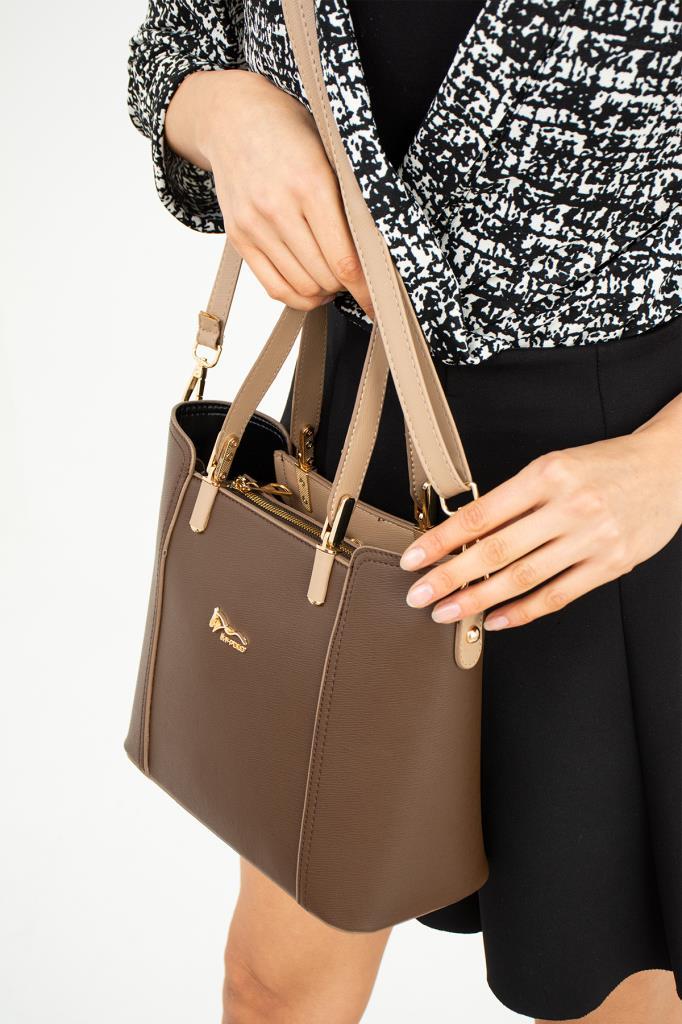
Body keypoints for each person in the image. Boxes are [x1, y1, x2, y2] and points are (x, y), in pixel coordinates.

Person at [126, 1, 682, 1021]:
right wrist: (226, 112)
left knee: (610, 998)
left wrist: (669, 465)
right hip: (352, 449)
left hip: (615, 498)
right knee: (273, 986)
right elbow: (179, 38)